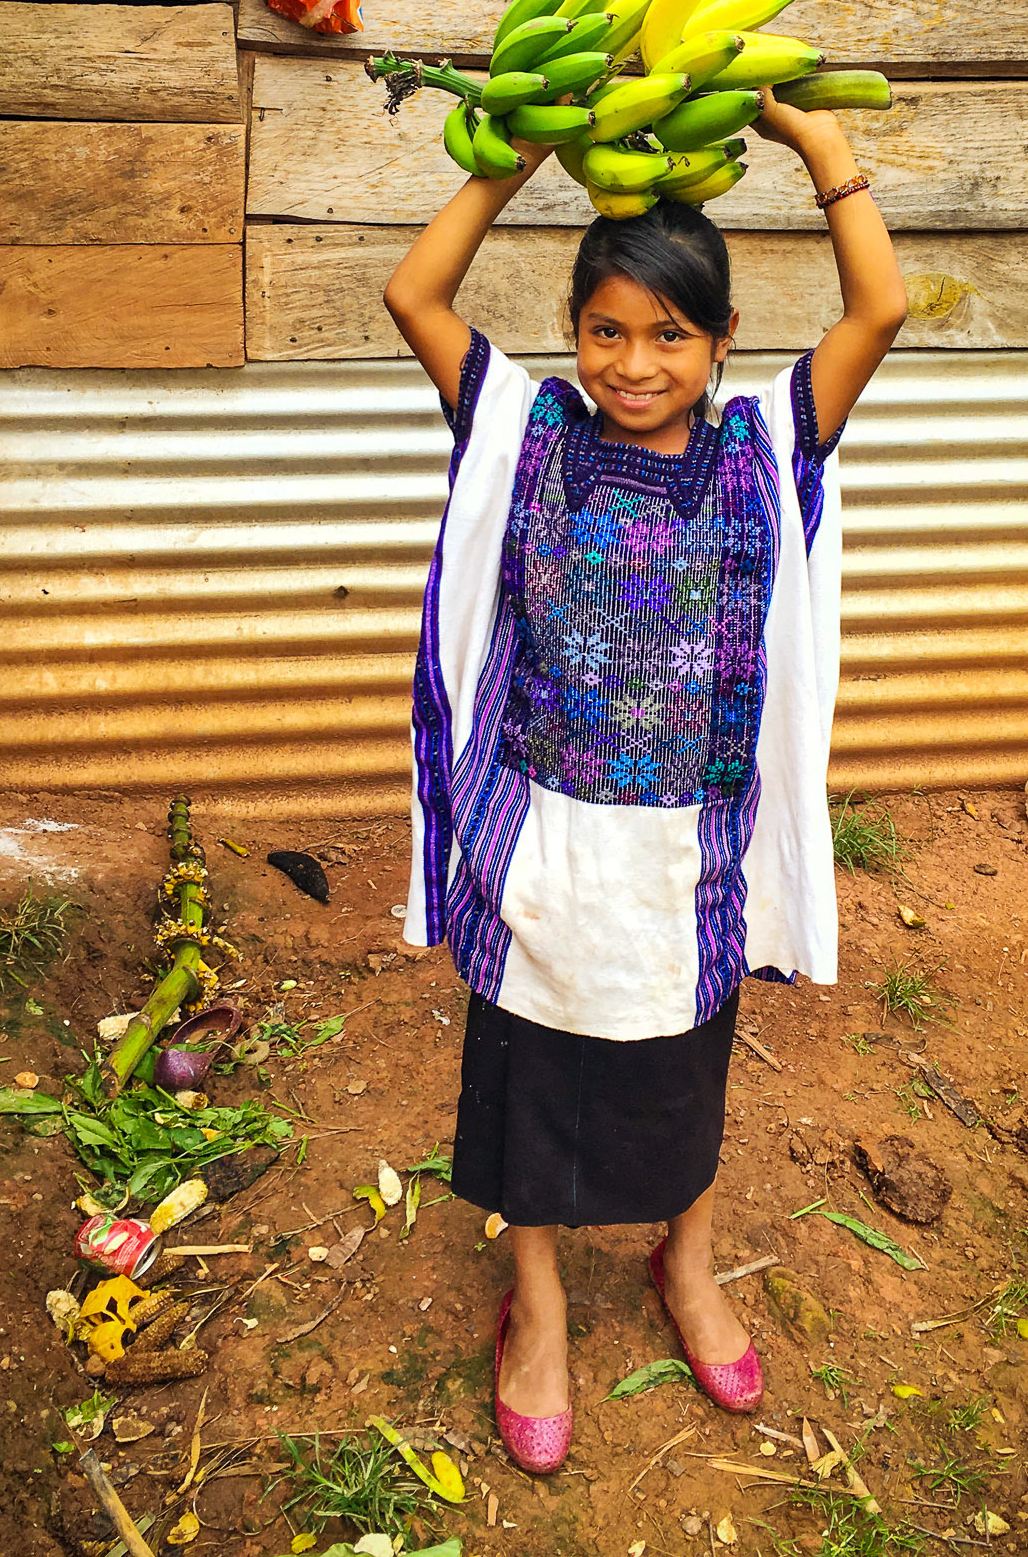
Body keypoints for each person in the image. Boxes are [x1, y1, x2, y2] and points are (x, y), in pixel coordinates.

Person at [384, 89, 907, 1473]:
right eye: (606, 329)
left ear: (722, 344)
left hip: (692, 857)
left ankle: (689, 1262)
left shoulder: (762, 451)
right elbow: (415, 289)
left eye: (670, 334)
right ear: (576, 334)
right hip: (540, 839)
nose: (633, 361)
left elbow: (879, 315)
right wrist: (531, 157)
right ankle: (538, 1303)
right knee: (532, 1079)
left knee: (683, 1078)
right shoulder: (533, 433)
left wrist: (822, 152)